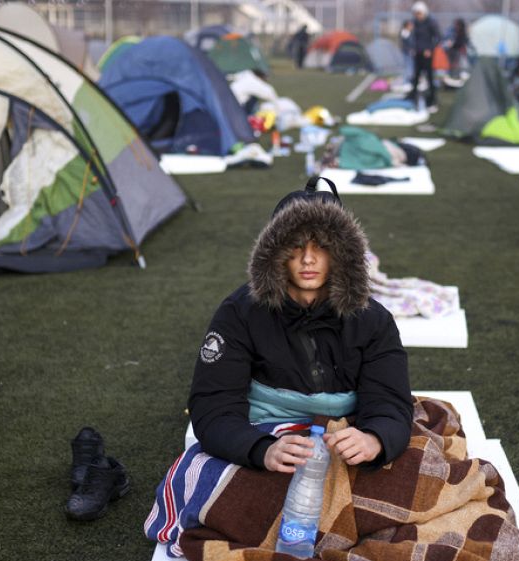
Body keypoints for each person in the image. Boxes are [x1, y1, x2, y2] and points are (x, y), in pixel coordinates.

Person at [188, 178, 413, 474]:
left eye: (322, 246)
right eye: (296, 245)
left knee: (411, 478)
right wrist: (261, 449)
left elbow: (390, 400)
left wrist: (374, 439)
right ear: (274, 253)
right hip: (264, 432)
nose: (308, 258)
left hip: (347, 436)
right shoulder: (239, 313)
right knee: (226, 494)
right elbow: (214, 404)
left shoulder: (373, 318)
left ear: (343, 252)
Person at [406, 2, 441, 112]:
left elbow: (438, 37)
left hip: (427, 55)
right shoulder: (414, 23)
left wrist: (430, 49)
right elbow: (412, 38)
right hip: (417, 54)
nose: (418, 16)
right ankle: (413, 97)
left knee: (429, 77)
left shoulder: (431, 23)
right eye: (416, 14)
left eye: (419, 13)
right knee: (416, 77)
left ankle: (432, 100)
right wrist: (412, 47)